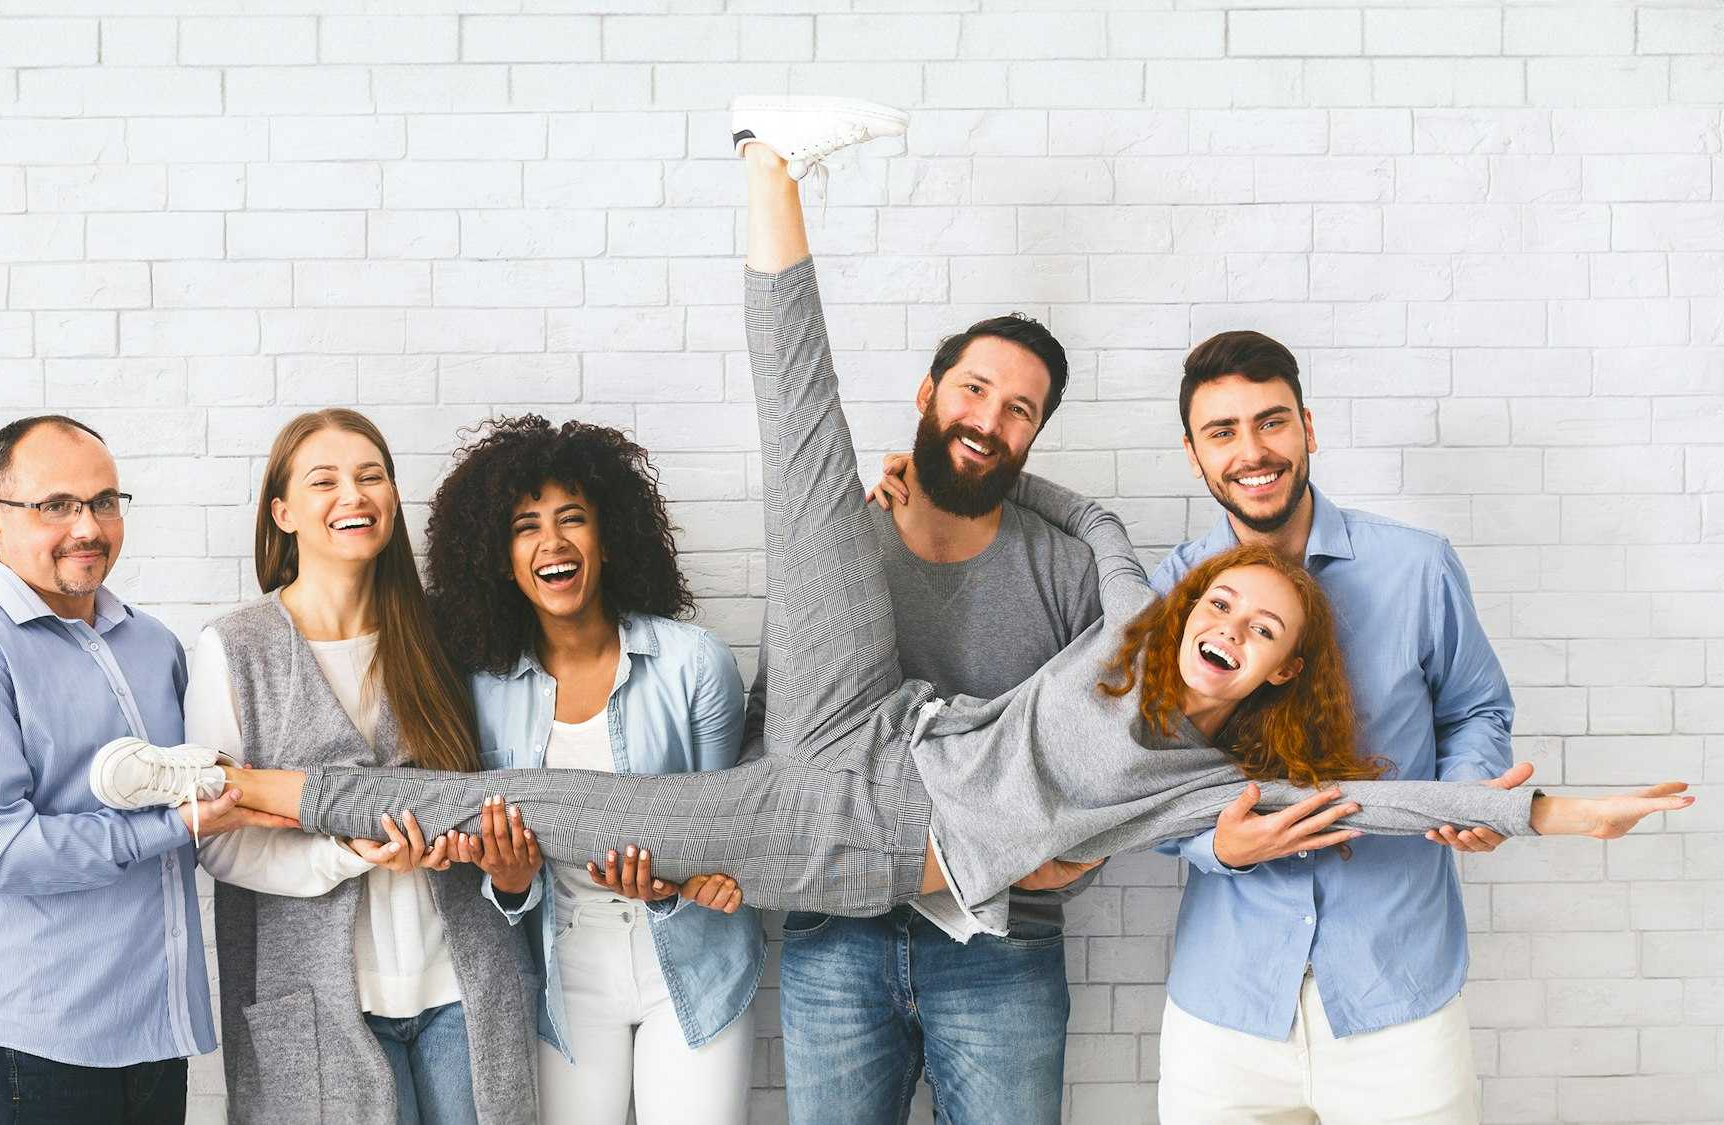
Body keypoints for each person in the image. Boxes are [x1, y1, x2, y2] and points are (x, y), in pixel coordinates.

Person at [89, 100, 1691, 938]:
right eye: (1229, 600)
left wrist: (1570, 815)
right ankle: (768, 161)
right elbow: (1082, 500)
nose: (1229, 621)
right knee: (807, 459)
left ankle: (223, 783)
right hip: (874, 722)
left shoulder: (1212, 775)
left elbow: (1402, 806)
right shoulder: (1142, 593)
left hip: (842, 836)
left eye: (1263, 629)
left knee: (515, 801)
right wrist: (937, 475)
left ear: (1278, 677)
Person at [1143, 332, 1651, 1123]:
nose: (1253, 450)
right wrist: (1215, 846)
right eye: (1222, 431)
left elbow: (1475, 707)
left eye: (1271, 422)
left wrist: (1469, 796)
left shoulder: (1418, 567)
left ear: (1308, 427)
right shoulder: (1170, 589)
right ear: (1193, 454)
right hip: (1226, 1011)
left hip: (1399, 994)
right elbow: (1138, 769)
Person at [742, 99, 1106, 1124]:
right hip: (833, 938)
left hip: (1002, 947)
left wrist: (1068, 862)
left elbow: (1102, 751)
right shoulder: (840, 545)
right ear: (926, 392)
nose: (987, 420)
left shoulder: (1067, 575)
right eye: (972, 390)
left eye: (1018, 408)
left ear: (1032, 439)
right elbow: (777, 715)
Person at [0, 415, 286, 1125]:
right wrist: (170, 826)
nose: (89, 526)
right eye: (56, 505)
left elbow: (199, 790)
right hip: (32, 1048)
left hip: (153, 1037)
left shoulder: (153, 644)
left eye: (105, 501)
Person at [181, 408, 539, 1124]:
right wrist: (343, 853)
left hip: (460, 988)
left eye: (371, 476)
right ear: (282, 512)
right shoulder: (233, 649)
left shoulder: (446, 633)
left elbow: (500, 786)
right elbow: (215, 835)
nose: (354, 494)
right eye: (325, 481)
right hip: (319, 997)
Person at [425, 414, 763, 1125]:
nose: (552, 542)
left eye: (572, 518)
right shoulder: (482, 689)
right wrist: (510, 883)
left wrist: (684, 881)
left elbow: (732, 833)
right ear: (502, 558)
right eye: (526, 526)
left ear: (607, 540)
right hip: (565, 970)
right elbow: (501, 874)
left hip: (694, 962)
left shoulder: (692, 661)